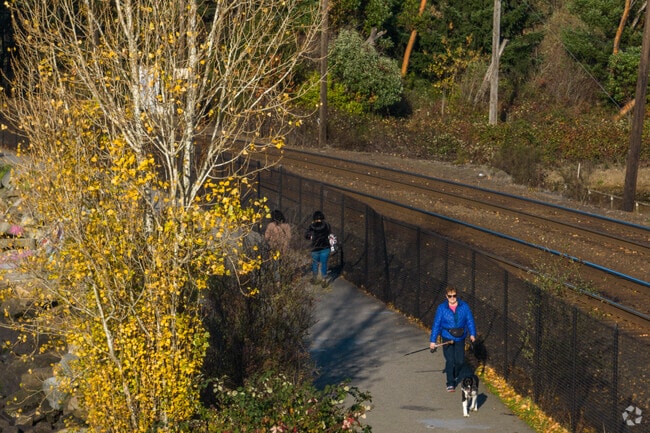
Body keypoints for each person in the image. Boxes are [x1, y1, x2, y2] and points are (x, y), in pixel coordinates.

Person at [429, 286, 477, 392]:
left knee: (460, 361)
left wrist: (472, 334)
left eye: (454, 295)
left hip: (460, 337)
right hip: (447, 337)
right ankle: (450, 383)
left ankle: (453, 374)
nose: (452, 298)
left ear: (457, 295)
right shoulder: (441, 308)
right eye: (450, 296)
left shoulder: (464, 306)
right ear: (446, 296)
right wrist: (433, 341)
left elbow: (470, 321)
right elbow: (436, 324)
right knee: (450, 360)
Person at [304, 210, 331, 286]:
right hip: (325, 247)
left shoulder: (312, 226)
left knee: (315, 263)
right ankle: (324, 279)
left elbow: (307, 236)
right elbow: (329, 232)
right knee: (324, 264)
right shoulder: (327, 225)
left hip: (315, 248)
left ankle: (315, 278)